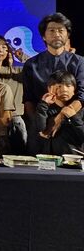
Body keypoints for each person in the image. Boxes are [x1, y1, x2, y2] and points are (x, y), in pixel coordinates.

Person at [21, 13, 84, 154]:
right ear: (43, 36)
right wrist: (39, 126)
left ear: (67, 35)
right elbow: (28, 100)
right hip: (40, 129)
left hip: (70, 129)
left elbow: (82, 96)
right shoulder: (31, 64)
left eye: (61, 30)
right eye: (52, 30)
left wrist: (60, 118)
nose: (57, 34)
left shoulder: (79, 62)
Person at [0, 33, 26, 152]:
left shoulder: (17, 72)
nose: (0, 50)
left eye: (4, 47)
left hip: (14, 120)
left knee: (18, 155)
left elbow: (38, 67)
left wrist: (22, 56)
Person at [36, 71, 84, 156]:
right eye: (59, 86)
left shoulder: (81, 110)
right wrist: (43, 105)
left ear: (74, 89)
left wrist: (74, 117)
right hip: (49, 158)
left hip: (73, 158)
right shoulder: (45, 108)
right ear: (49, 88)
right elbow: (40, 130)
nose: (64, 90)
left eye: (68, 86)